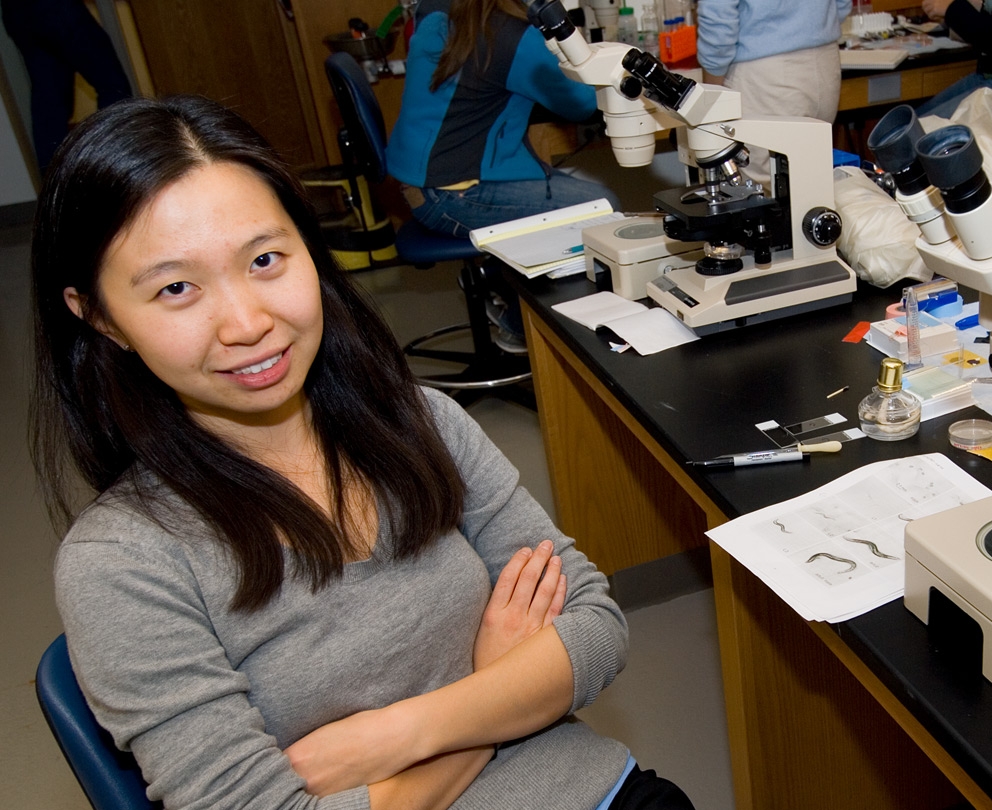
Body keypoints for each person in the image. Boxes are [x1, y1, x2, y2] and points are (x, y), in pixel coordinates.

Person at [32, 94, 693, 810]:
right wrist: (493, 697)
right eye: (177, 288)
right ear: (100, 317)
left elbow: (595, 628)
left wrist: (401, 734)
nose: (248, 323)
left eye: (264, 258)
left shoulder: (422, 420)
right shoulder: (124, 562)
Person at [387, 0, 621, 351]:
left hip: (422, 185)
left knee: (572, 197)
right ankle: (517, 324)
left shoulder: (439, 13)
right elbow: (582, 102)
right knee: (605, 213)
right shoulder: (508, 35)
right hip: (455, 194)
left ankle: (496, 277)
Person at [696, 0, 849, 185]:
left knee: (757, 193)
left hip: (765, 71)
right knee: (811, 185)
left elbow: (718, 16)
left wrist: (711, 95)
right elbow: (842, 4)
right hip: (825, 62)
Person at [1, 0, 132, 169]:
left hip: (18, 12)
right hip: (57, 8)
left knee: (49, 105)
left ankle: (57, 184)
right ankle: (115, 166)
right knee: (113, 86)